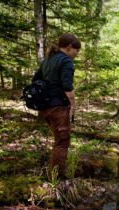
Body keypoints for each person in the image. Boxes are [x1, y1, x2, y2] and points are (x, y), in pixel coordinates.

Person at [32, 33, 81, 180]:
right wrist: (73, 104)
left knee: (58, 140)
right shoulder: (66, 61)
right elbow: (67, 86)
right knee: (62, 142)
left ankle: (54, 173)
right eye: (76, 51)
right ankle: (57, 179)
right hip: (58, 107)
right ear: (69, 47)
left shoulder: (48, 59)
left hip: (45, 107)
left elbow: (35, 80)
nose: (76, 55)